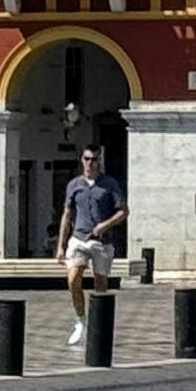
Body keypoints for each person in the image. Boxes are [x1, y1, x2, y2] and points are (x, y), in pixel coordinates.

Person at [60, 143, 125, 341]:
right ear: (82, 160)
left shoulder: (110, 184)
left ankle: (98, 324)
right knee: (73, 279)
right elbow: (67, 215)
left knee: (101, 283)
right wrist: (60, 246)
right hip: (79, 238)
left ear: (99, 161)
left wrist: (106, 225)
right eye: (87, 159)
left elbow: (123, 211)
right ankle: (80, 319)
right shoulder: (74, 185)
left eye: (94, 159)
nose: (90, 163)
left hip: (101, 241)